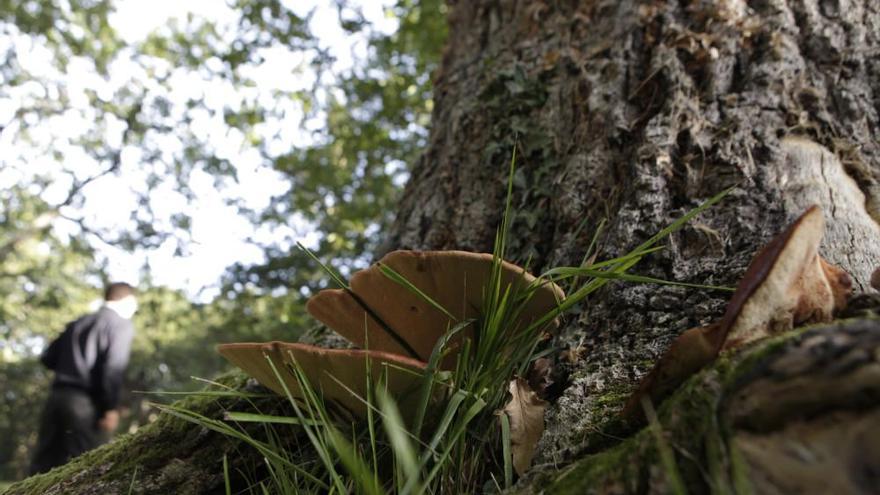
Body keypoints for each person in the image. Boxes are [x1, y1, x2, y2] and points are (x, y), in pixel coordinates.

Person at [29, 282, 137, 475]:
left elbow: (47, 358)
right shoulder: (120, 324)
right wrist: (110, 408)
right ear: (127, 300)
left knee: (43, 463)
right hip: (84, 403)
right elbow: (112, 368)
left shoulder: (79, 321)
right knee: (85, 465)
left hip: (56, 397)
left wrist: (71, 364)